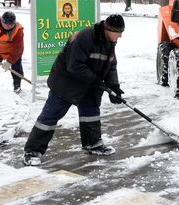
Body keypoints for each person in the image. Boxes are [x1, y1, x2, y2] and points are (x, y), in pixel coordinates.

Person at [23, 14, 126, 166]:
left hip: (88, 85)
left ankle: (93, 144)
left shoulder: (109, 42)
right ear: (107, 29)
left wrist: (114, 86)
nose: (120, 36)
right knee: (50, 116)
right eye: (118, 33)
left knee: (91, 113)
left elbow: (111, 65)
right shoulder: (84, 37)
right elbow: (74, 66)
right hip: (66, 83)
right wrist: (97, 81)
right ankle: (32, 151)